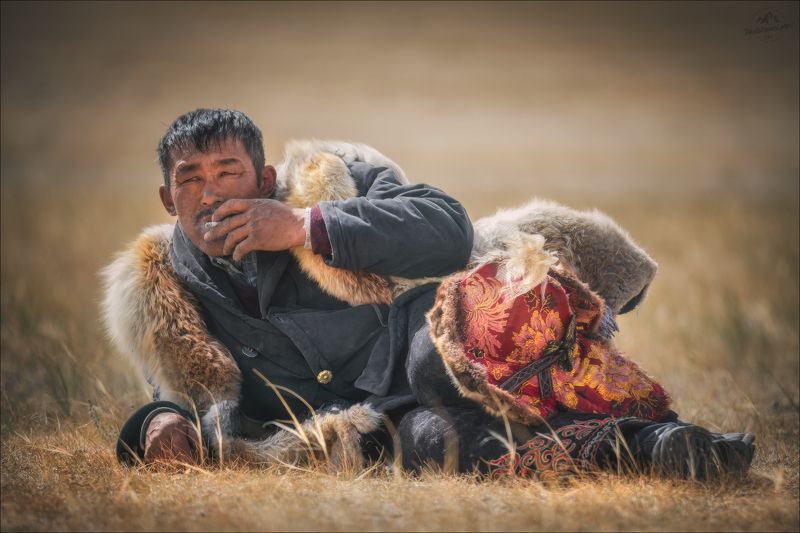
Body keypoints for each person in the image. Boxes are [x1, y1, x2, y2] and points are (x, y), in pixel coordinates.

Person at [114, 108, 754, 479]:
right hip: (374, 419)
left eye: (229, 171)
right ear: (169, 200)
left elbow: (448, 228)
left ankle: (663, 428)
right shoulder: (160, 289)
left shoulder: (326, 181)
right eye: (190, 180)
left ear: (266, 177)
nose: (213, 193)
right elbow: (177, 395)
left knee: (430, 362)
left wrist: (305, 226)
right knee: (431, 446)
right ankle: (651, 451)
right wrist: (157, 424)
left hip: (435, 333)